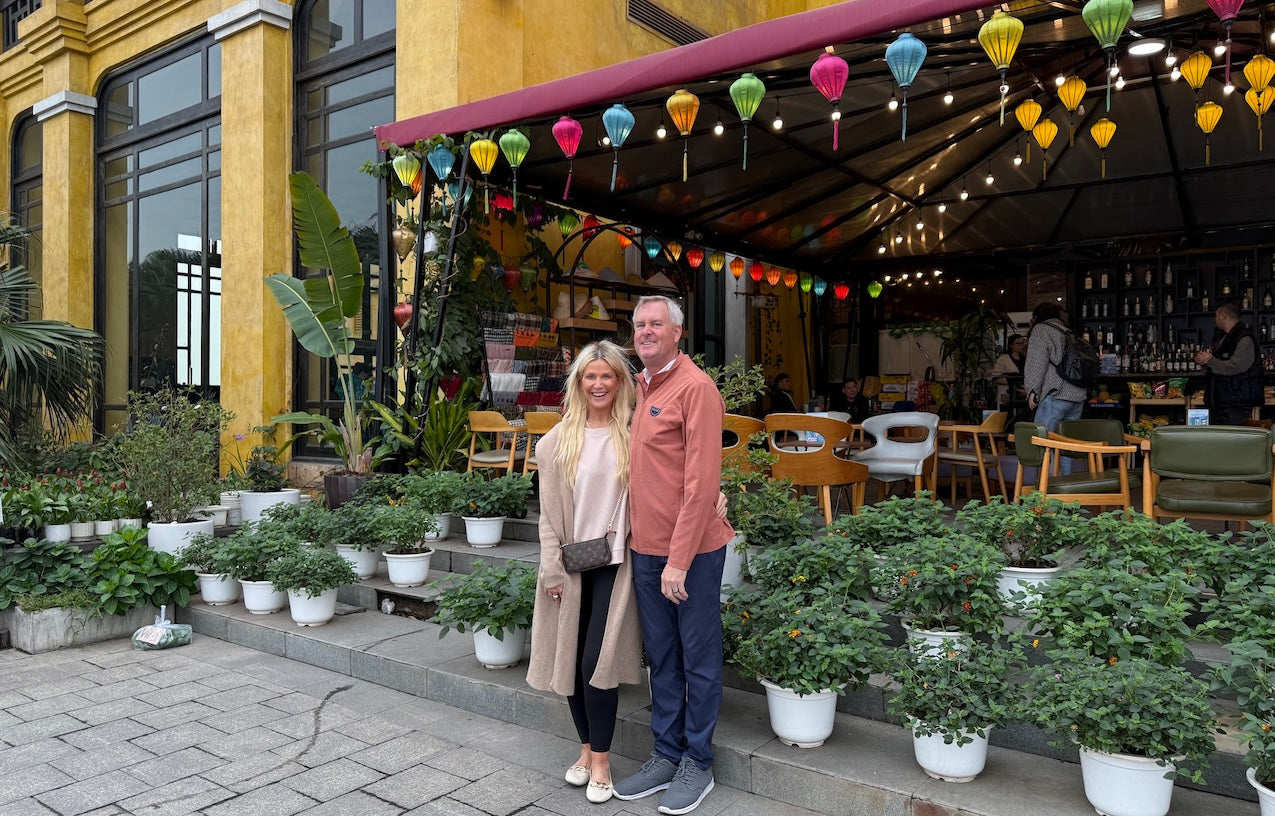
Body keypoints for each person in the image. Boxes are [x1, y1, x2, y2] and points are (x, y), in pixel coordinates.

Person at [527, 340, 729, 806]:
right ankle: (587, 753)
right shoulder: (556, 440)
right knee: (571, 660)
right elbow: (546, 514)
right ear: (578, 383)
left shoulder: (634, 430)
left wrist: (714, 497)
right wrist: (551, 568)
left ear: (621, 382)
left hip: (622, 564)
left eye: (607, 376)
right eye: (588, 376)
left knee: (597, 661)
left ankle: (604, 760)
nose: (598, 384)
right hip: (573, 566)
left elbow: (681, 468)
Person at [613, 295, 733, 815]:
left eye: (655, 324)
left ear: (677, 332)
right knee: (662, 657)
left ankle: (697, 763)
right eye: (639, 324)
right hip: (645, 549)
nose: (645, 332)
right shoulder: (639, 388)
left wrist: (679, 561)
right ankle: (665, 753)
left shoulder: (696, 389)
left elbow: (702, 482)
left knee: (698, 660)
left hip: (692, 555)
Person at [1023, 302, 1087, 451]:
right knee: (1067, 449)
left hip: (1056, 395)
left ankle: (1047, 475)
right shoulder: (1068, 332)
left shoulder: (1041, 330)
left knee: (1043, 446)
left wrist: (1032, 390)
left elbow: (1037, 363)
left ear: (1036, 317)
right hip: (1077, 397)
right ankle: (1064, 476)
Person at [1195, 302, 1263, 425]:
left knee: (1234, 442)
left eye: (1216, 316)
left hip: (1237, 405)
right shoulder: (1222, 339)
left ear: (1222, 315)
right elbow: (1216, 366)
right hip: (1219, 402)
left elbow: (1236, 366)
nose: (1215, 319)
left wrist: (1210, 360)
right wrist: (1204, 362)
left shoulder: (1244, 338)